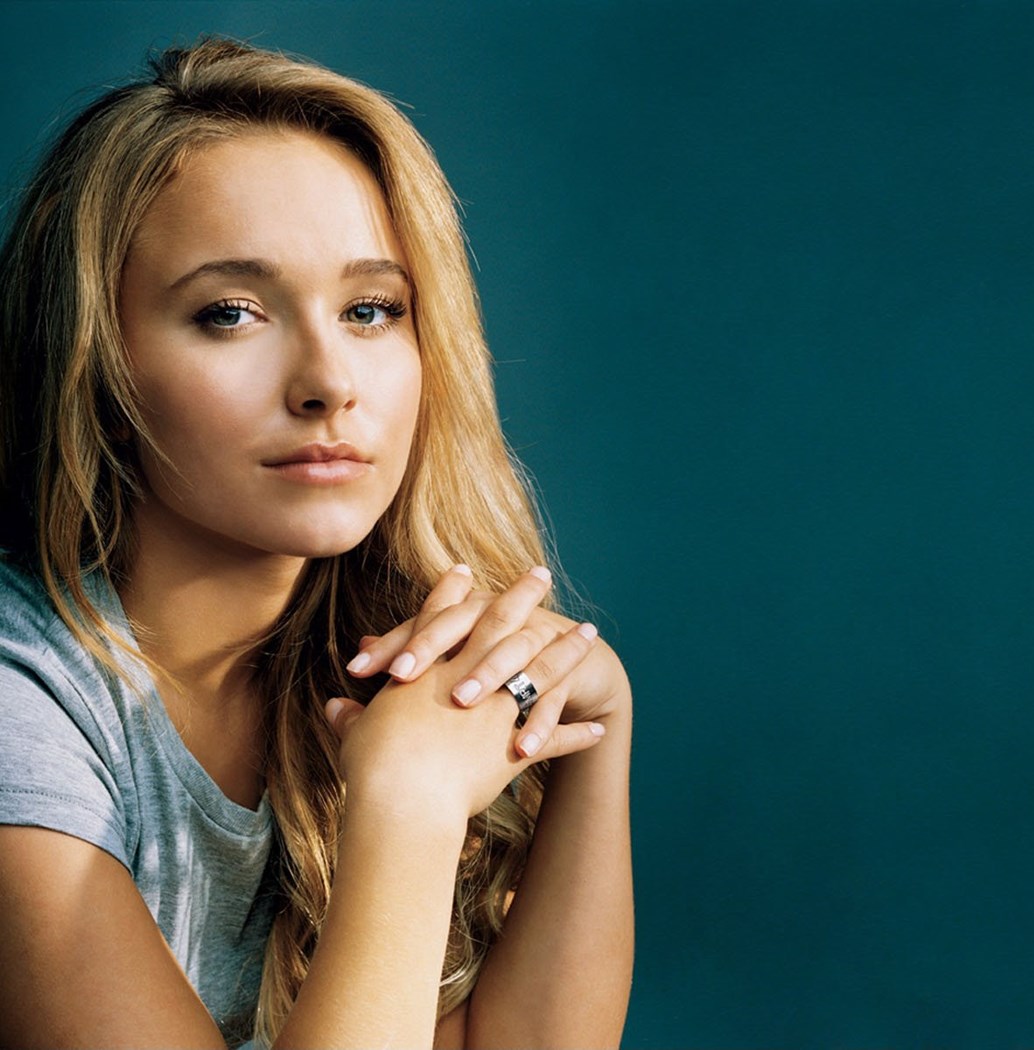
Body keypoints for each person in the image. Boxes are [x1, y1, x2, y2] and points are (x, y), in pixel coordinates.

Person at [0, 36, 633, 1049]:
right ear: (97, 364)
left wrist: (596, 738)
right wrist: (410, 812)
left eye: (370, 310)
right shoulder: (21, 706)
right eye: (231, 314)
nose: (329, 383)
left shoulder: (391, 656)